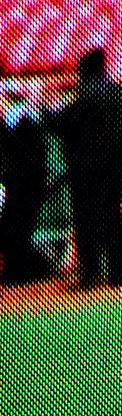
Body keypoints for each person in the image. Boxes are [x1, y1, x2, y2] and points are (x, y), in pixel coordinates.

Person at [47, 48, 122, 289]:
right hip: (115, 167)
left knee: (87, 222)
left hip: (87, 170)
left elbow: (62, 123)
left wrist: (46, 109)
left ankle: (90, 274)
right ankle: (119, 273)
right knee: (113, 218)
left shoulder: (87, 94)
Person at [0, 81, 57, 284]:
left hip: (24, 184)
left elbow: (34, 157)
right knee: (15, 227)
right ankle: (15, 272)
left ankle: (17, 273)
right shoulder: (18, 123)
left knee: (18, 227)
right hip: (18, 184)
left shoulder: (24, 123)